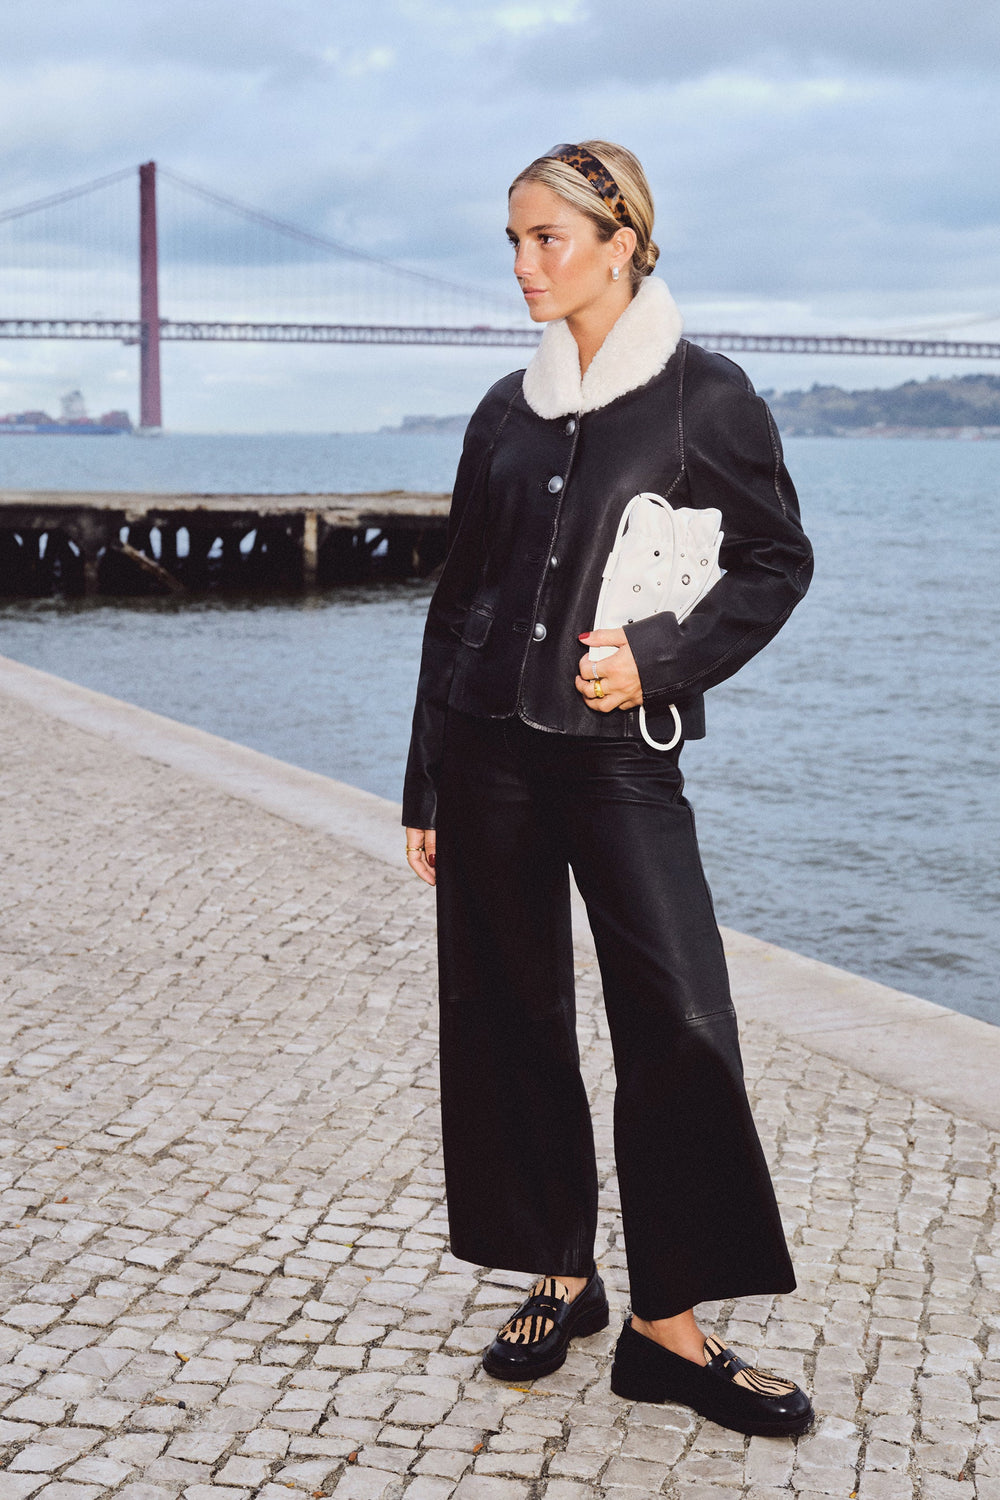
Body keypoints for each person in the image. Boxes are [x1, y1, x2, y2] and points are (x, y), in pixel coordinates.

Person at [402, 140, 815, 1439]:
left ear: (621, 241)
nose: (526, 266)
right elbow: (460, 597)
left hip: (623, 762)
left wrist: (657, 657)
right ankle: (559, 1274)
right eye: (514, 242)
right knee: (508, 1014)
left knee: (681, 1018)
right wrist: (425, 780)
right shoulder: (503, 409)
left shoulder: (707, 396)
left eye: (549, 239)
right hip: (487, 756)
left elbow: (775, 561)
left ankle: (668, 1329)